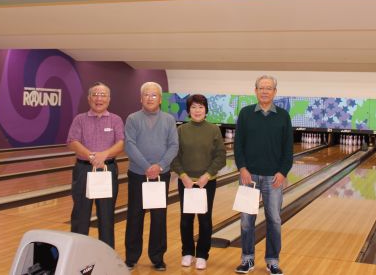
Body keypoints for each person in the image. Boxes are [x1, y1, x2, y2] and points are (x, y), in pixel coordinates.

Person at [234, 75, 293, 275]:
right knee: (246, 220)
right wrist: (242, 168)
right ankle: (247, 259)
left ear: (275, 92)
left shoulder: (283, 116)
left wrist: (283, 172)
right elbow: (238, 145)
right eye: (261, 88)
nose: (265, 91)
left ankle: (272, 261)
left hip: (273, 178)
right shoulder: (245, 113)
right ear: (255, 90)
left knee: (274, 220)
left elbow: (288, 149)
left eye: (269, 88)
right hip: (248, 177)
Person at [124, 82, 179, 271]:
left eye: (154, 95)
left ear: (160, 99)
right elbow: (129, 144)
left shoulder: (169, 120)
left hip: (161, 176)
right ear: (141, 98)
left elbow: (174, 145)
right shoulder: (133, 118)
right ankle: (131, 257)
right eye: (146, 95)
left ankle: (157, 257)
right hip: (138, 174)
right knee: (135, 216)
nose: (150, 98)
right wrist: (147, 167)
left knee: (158, 217)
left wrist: (160, 165)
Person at [171, 94, 226, 270]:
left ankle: (202, 254)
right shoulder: (181, 130)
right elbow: (174, 156)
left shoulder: (214, 130)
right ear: (188, 110)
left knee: (204, 219)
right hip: (186, 181)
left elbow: (221, 156)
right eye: (193, 107)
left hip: (207, 182)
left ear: (206, 110)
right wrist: (183, 176)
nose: (197, 110)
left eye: (201, 107)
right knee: (186, 219)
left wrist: (207, 175)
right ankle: (187, 252)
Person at [66, 82, 124, 248]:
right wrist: (91, 156)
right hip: (83, 169)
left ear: (109, 99)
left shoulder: (115, 120)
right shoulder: (80, 119)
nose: (99, 98)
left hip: (107, 169)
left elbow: (121, 143)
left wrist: (104, 154)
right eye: (95, 95)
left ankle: (106, 253)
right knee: (80, 214)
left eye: (103, 95)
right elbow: (72, 141)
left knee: (106, 215)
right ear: (89, 98)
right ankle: (76, 252)